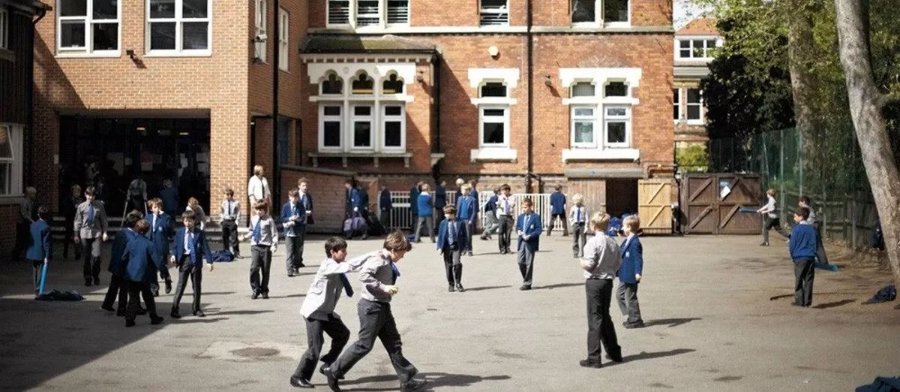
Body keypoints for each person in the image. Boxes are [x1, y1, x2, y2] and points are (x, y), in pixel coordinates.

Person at [323, 231, 427, 392]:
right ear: (394, 249)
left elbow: (360, 264)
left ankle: (406, 379)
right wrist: (384, 287)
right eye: (402, 252)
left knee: (394, 343)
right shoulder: (379, 259)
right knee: (364, 345)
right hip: (372, 308)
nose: (402, 256)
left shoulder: (381, 256)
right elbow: (364, 275)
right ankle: (334, 371)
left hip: (381, 306)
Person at [290, 237, 367, 388]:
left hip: (326, 312)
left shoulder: (337, 266)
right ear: (332, 252)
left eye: (345, 250)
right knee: (315, 347)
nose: (346, 253)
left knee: (342, 334)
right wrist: (371, 257)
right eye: (342, 251)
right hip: (314, 312)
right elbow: (349, 266)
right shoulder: (328, 265)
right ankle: (298, 376)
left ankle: (327, 365)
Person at [579, 212, 623, 368]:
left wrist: (581, 262)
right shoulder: (612, 242)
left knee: (594, 318)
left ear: (593, 225)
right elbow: (618, 263)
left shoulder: (592, 242)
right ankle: (614, 351)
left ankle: (594, 356)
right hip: (608, 281)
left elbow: (589, 264)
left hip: (595, 281)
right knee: (605, 316)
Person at [169, 210, 214, 318]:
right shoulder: (180, 232)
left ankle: (196, 308)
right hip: (184, 260)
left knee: (196, 286)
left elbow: (206, 247)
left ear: (194, 221)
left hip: (196, 261)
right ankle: (174, 309)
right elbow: (175, 246)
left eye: (190, 221)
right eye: (185, 221)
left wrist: (209, 261)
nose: (187, 223)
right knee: (181, 285)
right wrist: (173, 255)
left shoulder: (199, 233)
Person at [122, 219, 165, 327]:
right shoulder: (149, 244)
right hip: (144, 275)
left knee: (133, 297)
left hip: (131, 274)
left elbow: (124, 257)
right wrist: (164, 273)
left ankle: (129, 318)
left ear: (136, 229)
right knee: (148, 296)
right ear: (147, 230)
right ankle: (153, 316)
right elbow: (158, 261)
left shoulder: (131, 242)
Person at [102, 210, 143, 316]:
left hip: (116, 263)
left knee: (114, 285)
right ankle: (121, 308)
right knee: (124, 288)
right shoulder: (132, 237)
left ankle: (107, 303)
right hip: (125, 266)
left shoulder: (120, 232)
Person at [75, 186, 109, 287]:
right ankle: (88, 278)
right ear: (85, 195)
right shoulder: (81, 206)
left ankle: (95, 275)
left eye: (92, 195)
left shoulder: (99, 206)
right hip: (85, 233)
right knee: (86, 257)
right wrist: (76, 234)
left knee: (97, 257)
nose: (90, 197)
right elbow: (77, 221)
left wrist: (105, 232)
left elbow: (104, 219)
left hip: (96, 233)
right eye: (89, 195)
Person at [243, 201, 278, 299]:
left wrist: (274, 245)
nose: (259, 212)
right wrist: (245, 237)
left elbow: (274, 233)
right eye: (257, 209)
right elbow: (251, 231)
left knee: (265, 269)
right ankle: (256, 289)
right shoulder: (253, 219)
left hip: (266, 246)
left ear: (265, 210)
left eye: (261, 210)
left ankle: (264, 289)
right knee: (254, 268)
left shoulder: (269, 220)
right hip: (255, 246)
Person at [616, 215, 644, 329]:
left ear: (628, 227)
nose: (622, 228)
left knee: (630, 297)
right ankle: (630, 314)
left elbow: (638, 259)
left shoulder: (635, 242)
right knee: (619, 295)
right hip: (624, 274)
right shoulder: (627, 240)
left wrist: (638, 272)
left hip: (631, 274)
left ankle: (636, 319)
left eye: (623, 226)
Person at [789, 207, 817, 307]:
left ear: (800, 217)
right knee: (809, 280)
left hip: (799, 257)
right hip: (810, 257)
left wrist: (793, 256)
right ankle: (807, 301)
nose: (794, 217)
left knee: (799, 279)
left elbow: (792, 245)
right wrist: (814, 254)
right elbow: (815, 243)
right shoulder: (812, 229)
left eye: (795, 216)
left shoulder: (796, 229)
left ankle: (799, 301)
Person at [437, 205, 468, 292]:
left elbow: (465, 236)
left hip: (457, 246)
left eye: (446, 213)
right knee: (448, 266)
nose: (445, 215)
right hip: (447, 247)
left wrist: (465, 248)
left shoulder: (460, 222)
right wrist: (439, 247)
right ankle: (451, 284)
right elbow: (440, 236)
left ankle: (458, 283)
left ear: (452, 214)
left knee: (457, 263)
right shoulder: (443, 223)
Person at [147, 198, 175, 296]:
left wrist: (163, 216)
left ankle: (166, 277)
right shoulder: (148, 217)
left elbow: (169, 230)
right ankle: (154, 287)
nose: (157, 209)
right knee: (151, 268)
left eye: (159, 207)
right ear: (151, 209)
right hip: (150, 245)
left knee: (160, 265)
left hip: (161, 245)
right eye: (155, 207)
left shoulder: (166, 217)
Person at [515, 198, 542, 290]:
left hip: (530, 242)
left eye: (525, 207)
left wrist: (530, 236)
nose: (524, 209)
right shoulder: (520, 217)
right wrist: (518, 231)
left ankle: (527, 283)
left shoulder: (536, 217)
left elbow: (539, 230)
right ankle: (526, 278)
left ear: (530, 207)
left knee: (529, 263)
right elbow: (518, 227)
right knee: (520, 261)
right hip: (521, 241)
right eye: (522, 207)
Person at [26, 206, 52, 299]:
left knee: (35, 272)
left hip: (33, 251)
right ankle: (38, 289)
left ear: (38, 214)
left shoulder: (33, 225)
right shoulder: (46, 227)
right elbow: (46, 244)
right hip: (41, 253)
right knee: (41, 272)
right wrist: (47, 256)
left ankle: (35, 289)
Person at [282, 190, 307, 277]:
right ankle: (289, 270)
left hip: (298, 232)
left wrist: (297, 220)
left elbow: (303, 218)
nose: (294, 199)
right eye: (292, 197)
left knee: (297, 252)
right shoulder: (286, 206)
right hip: (288, 232)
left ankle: (296, 267)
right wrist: (289, 218)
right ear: (289, 197)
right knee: (289, 252)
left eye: (295, 197)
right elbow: (282, 218)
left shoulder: (300, 206)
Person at [798, 196, 828, 265]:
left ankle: (824, 263)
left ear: (804, 202)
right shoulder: (808, 208)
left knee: (817, 246)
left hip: (813, 227)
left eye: (800, 202)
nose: (798, 203)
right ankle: (818, 261)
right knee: (815, 245)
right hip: (813, 226)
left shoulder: (806, 208)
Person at [13, 187, 37, 261]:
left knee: (25, 240)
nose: (34, 196)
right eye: (33, 194)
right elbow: (24, 214)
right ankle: (16, 254)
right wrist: (31, 220)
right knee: (21, 240)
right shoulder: (24, 202)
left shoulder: (30, 202)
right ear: (29, 194)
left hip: (26, 223)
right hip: (22, 223)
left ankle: (22, 254)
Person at [63, 184, 84, 260]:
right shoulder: (68, 199)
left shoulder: (81, 200)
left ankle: (77, 253)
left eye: (78, 192)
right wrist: (73, 208)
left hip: (78, 221)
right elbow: (65, 210)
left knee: (77, 237)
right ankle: (65, 252)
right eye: (75, 191)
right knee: (67, 237)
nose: (76, 193)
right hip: (70, 220)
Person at [455, 184, 477, 256]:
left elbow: (474, 211)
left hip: (468, 220)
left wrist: (471, 220)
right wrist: (456, 218)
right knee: (461, 235)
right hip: (460, 219)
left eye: (464, 190)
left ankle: (469, 249)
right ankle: (463, 249)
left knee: (468, 235)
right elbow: (458, 209)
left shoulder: (472, 200)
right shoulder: (460, 198)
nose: (462, 191)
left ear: (468, 191)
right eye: (462, 190)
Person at [220, 188, 241, 258]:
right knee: (225, 237)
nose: (224, 196)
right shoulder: (223, 203)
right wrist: (222, 220)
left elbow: (238, 212)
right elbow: (221, 211)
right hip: (225, 221)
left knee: (234, 238)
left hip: (232, 221)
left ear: (229, 195)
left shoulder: (236, 203)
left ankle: (236, 253)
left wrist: (237, 222)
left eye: (225, 195)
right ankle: (226, 251)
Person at [496, 184, 515, 254]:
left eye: (504, 190)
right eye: (502, 191)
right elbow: (498, 205)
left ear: (508, 190)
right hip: (502, 216)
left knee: (508, 233)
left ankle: (508, 247)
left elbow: (512, 205)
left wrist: (507, 200)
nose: (502, 192)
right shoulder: (500, 197)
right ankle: (502, 248)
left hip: (509, 216)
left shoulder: (512, 197)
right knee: (501, 232)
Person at [570, 194, 588, 258]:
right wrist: (572, 223)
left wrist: (586, 226)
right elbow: (570, 216)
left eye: (578, 201)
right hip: (575, 224)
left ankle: (584, 253)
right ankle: (575, 253)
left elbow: (586, 216)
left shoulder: (583, 208)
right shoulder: (573, 208)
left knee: (584, 240)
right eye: (576, 201)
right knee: (575, 239)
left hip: (582, 224)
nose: (577, 203)